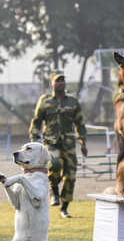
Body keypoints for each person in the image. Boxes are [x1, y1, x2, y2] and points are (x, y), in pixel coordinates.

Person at [29, 71, 88, 218]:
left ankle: (64, 207)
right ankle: (53, 189)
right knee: (54, 164)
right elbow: (36, 121)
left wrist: (83, 142)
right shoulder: (44, 101)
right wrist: (33, 140)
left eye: (63, 80)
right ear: (52, 84)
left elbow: (80, 123)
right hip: (50, 141)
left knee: (71, 175)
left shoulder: (73, 102)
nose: (61, 83)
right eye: (58, 80)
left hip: (68, 143)